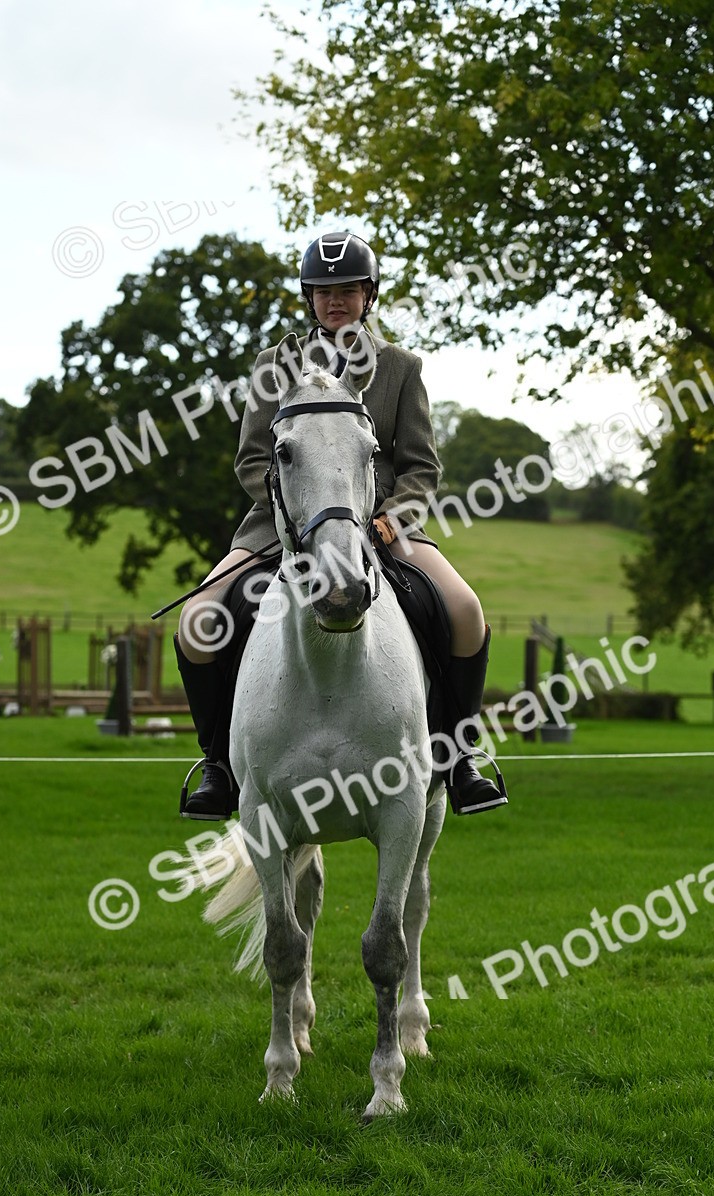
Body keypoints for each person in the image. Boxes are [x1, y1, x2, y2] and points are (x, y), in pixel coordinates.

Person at [175, 231, 507, 819]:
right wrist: (294, 516)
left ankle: (461, 757)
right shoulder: (274, 367)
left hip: (380, 525)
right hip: (281, 527)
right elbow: (253, 459)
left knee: (465, 611)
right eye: (324, 291)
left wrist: (391, 519)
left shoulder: (401, 368)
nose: (336, 301)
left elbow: (421, 466)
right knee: (198, 621)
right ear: (309, 297)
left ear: (368, 296)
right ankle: (220, 766)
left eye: (348, 289)